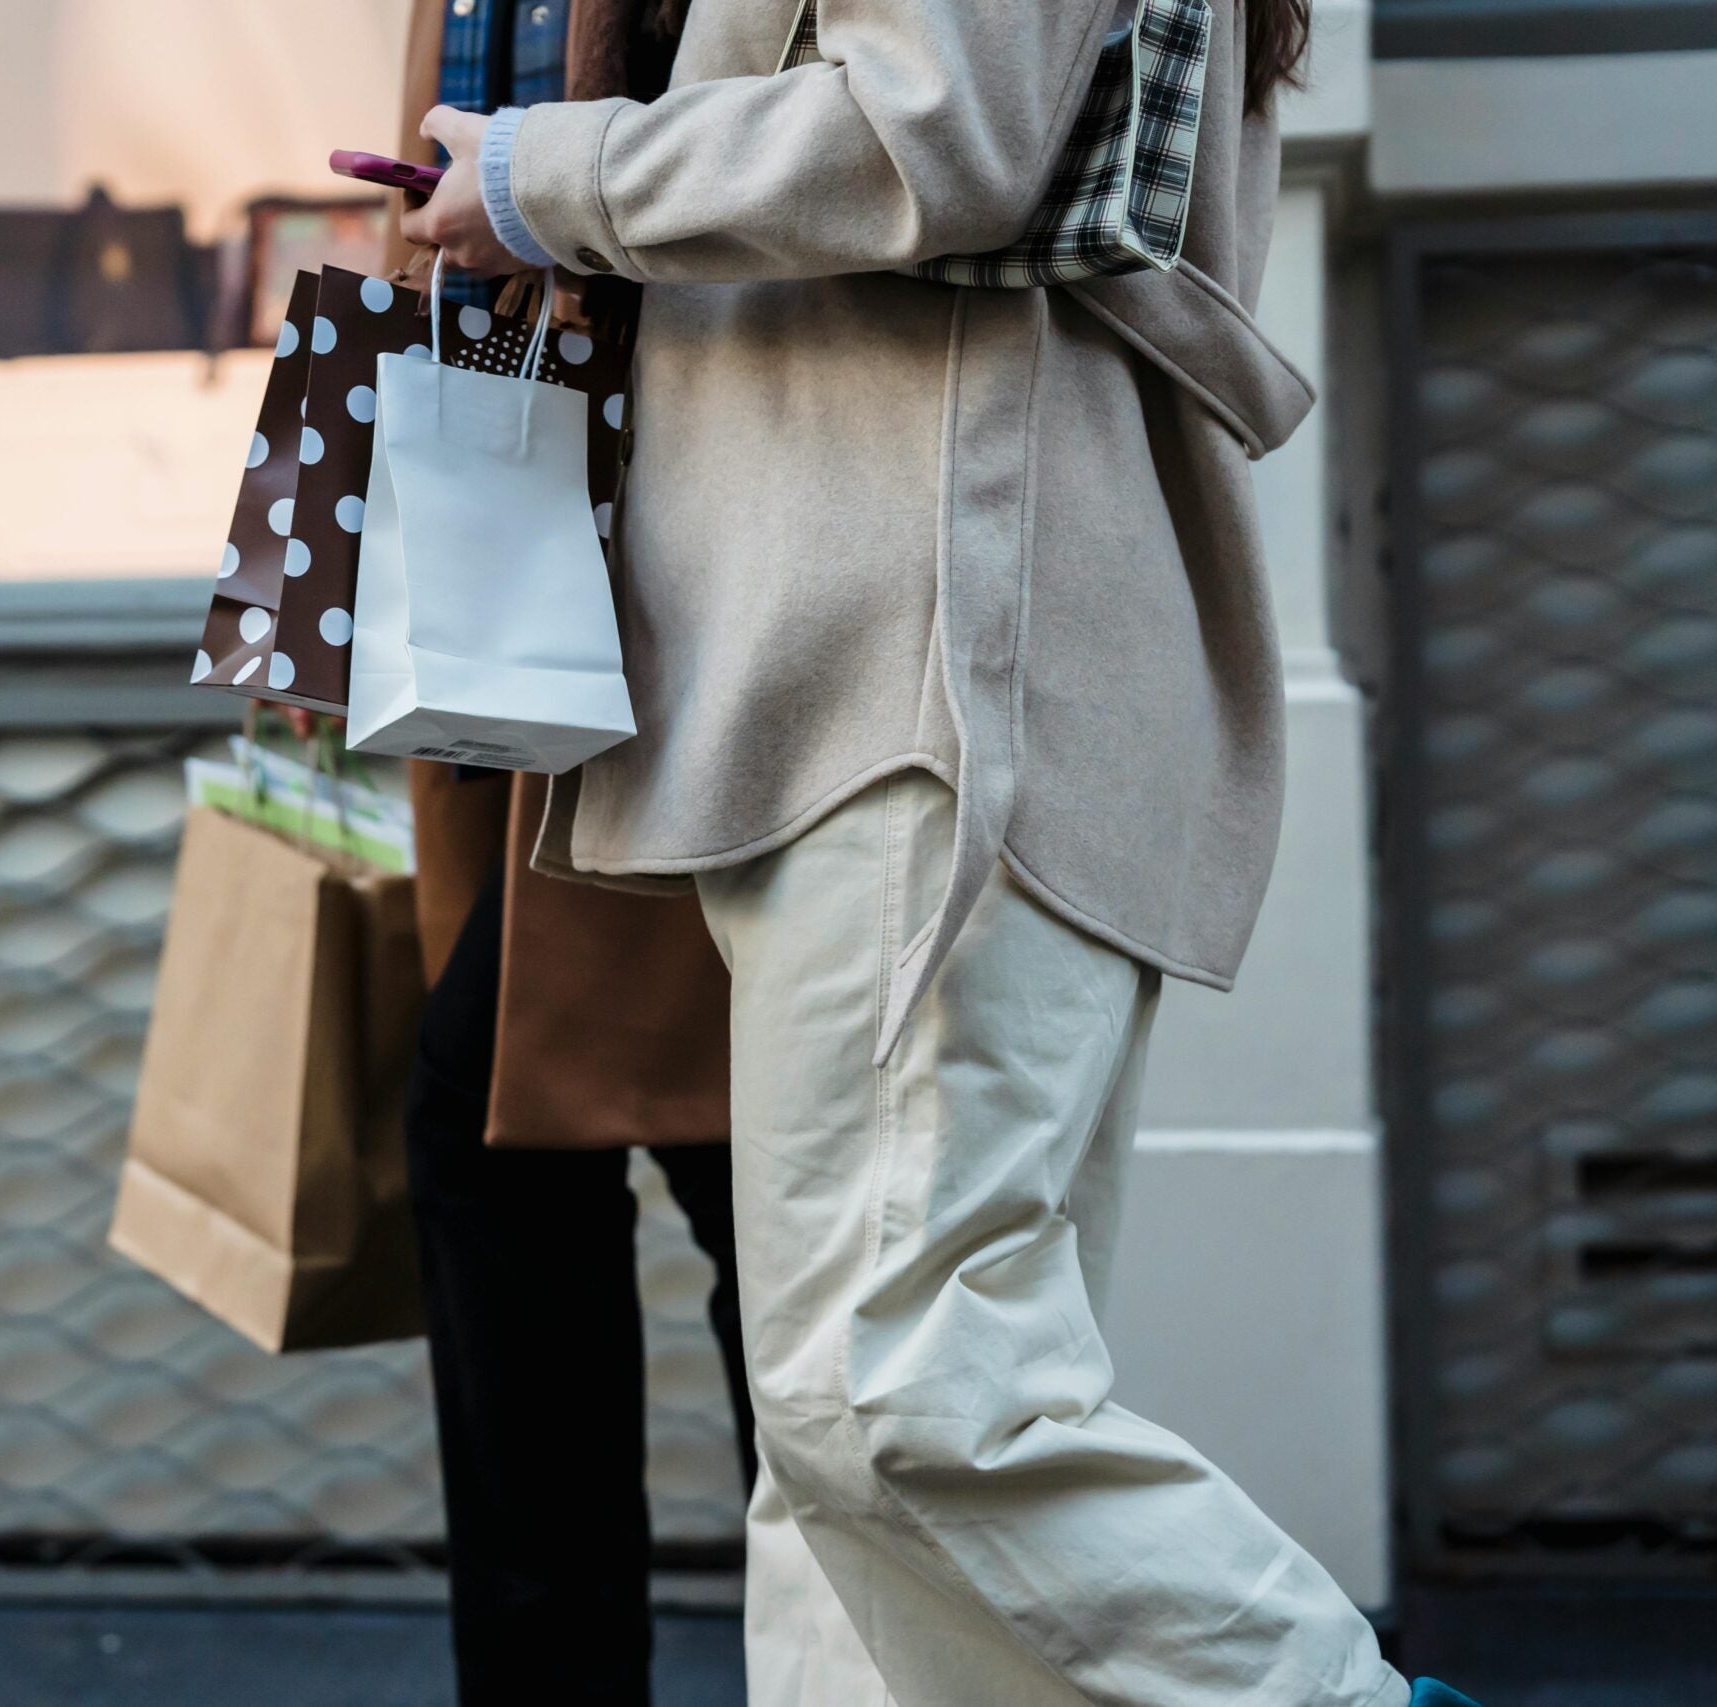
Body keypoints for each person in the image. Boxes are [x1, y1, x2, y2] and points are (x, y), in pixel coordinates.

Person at [402, 2, 1488, 1705]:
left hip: (930, 644)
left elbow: (936, 132)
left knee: (899, 1394)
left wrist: (554, 171)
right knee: (838, 1497)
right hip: (855, 642)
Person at [379, 7, 758, 1705]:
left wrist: (528, 188)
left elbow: (835, 153)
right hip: (513, 517)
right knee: (515, 1128)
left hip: (705, 535)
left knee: (739, 1155)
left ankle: (847, 1662)